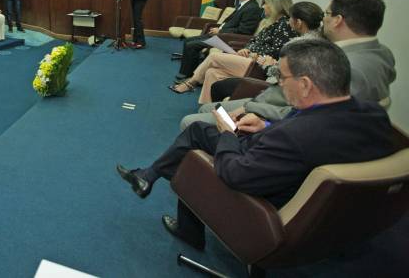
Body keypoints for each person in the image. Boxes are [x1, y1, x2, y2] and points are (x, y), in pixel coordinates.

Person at [116, 39, 398, 250]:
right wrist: (266, 126)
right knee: (199, 131)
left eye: (282, 78)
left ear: (305, 84)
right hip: (329, 212)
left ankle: (182, 220)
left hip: (267, 206)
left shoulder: (296, 136)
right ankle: (149, 175)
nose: (278, 84)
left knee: (196, 157)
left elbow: (235, 174)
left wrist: (228, 133)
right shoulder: (373, 114)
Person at [181, 0, 397, 130]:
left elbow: (304, 118)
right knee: (206, 109)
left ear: (338, 20)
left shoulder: (342, 65)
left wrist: (255, 112)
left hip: (272, 122)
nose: (323, 20)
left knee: (190, 123)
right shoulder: (382, 54)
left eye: (327, 14)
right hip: (271, 104)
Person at [170, 0, 297, 101]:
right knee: (212, 72)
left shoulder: (284, 25)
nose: (263, 6)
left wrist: (253, 53)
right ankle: (210, 109)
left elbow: (277, 52)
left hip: (257, 66)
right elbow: (254, 41)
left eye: (266, 4)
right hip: (247, 58)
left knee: (214, 57)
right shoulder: (272, 23)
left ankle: (191, 83)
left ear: (276, 6)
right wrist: (246, 48)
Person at [204, 1, 324, 104]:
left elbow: (279, 74)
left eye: (291, 18)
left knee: (218, 86)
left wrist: (267, 64)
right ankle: (209, 109)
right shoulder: (318, 41)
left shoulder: (296, 46)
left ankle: (202, 99)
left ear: (298, 23)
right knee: (212, 72)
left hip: (271, 88)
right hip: (273, 80)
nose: (289, 21)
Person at [175, 0, 262, 79]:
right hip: (221, 35)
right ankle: (188, 72)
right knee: (188, 41)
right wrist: (220, 28)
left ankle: (190, 76)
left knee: (192, 45)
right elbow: (232, 24)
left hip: (227, 40)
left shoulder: (252, 9)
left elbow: (245, 31)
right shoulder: (244, 5)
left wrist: (221, 31)